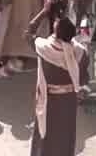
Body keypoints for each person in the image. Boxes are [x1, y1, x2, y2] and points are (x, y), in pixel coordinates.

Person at [30, 15, 84, 156]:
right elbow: (84, 78)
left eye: (56, 22)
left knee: (46, 135)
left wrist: (44, 11)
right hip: (69, 101)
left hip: (49, 101)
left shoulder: (43, 48)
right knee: (65, 135)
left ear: (56, 30)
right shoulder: (80, 52)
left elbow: (28, 32)